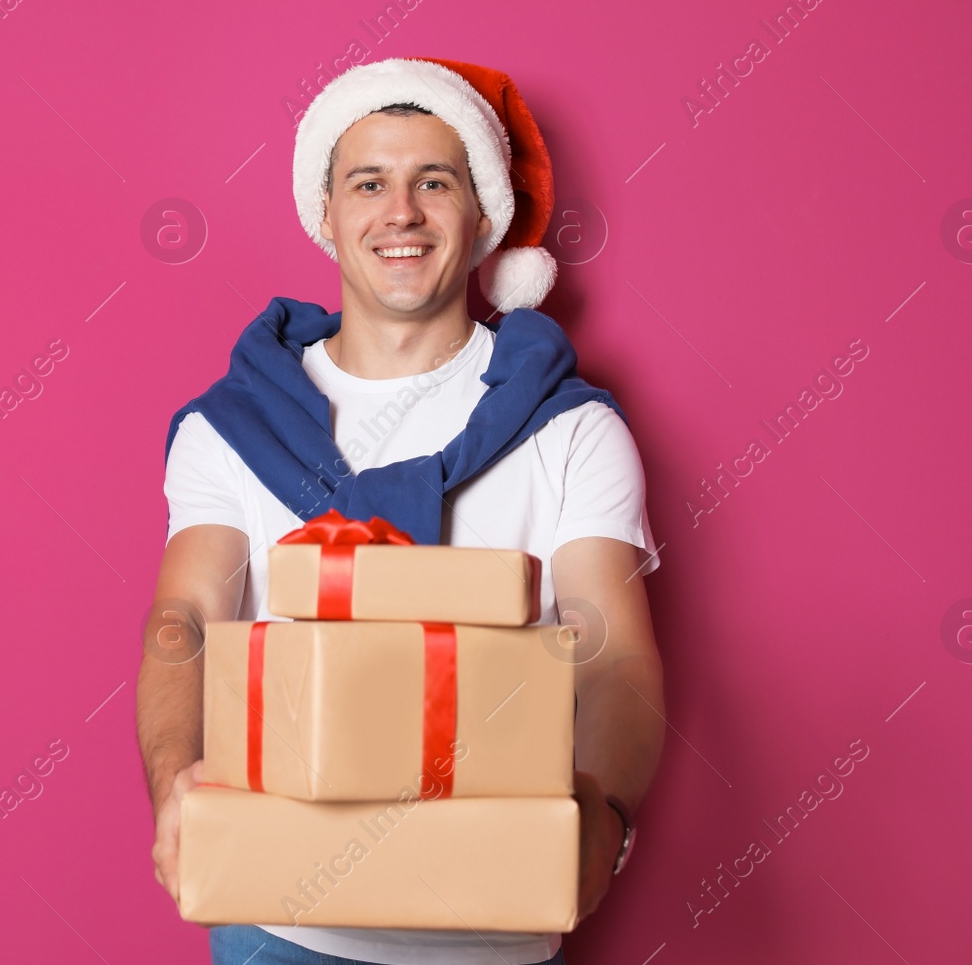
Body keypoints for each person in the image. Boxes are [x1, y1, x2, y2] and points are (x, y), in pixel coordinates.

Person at [136, 56, 667, 965]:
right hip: (276, 921)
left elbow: (611, 647)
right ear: (327, 214)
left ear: (483, 213)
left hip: (491, 928)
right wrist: (172, 783)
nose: (402, 213)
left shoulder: (571, 429)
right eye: (369, 182)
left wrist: (604, 819)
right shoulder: (233, 425)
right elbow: (185, 617)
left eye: (435, 181)